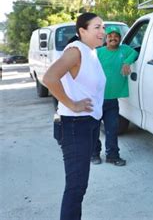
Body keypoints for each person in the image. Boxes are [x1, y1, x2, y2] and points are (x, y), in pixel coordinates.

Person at [43, 12, 106, 220]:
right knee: (76, 187)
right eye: (96, 27)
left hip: (88, 123)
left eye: (103, 27)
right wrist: (72, 104)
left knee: (80, 185)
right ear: (82, 31)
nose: (102, 31)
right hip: (74, 125)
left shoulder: (91, 52)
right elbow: (50, 78)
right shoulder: (75, 51)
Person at [91, 26, 138, 166]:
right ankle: (94, 154)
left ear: (120, 38)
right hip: (96, 99)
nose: (113, 38)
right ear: (106, 38)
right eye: (110, 35)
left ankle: (112, 155)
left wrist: (127, 62)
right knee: (94, 130)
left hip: (112, 100)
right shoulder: (98, 52)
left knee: (112, 130)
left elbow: (135, 53)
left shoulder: (124, 50)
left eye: (116, 35)